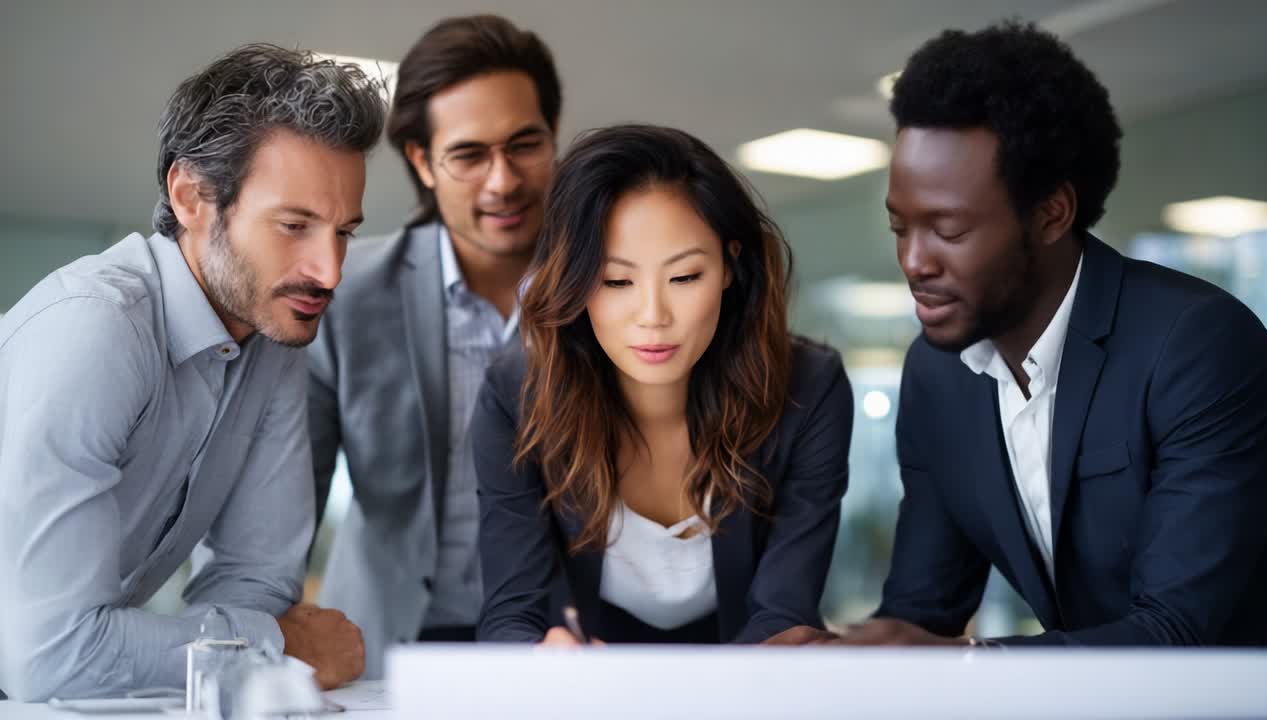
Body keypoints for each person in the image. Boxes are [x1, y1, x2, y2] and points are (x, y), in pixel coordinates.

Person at [771, 21, 1267, 649]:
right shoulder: (939, 372)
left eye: (949, 231)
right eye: (900, 228)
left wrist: (963, 659)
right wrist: (839, 656)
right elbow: (921, 613)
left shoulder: (1196, 345)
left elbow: (1173, 633)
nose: (913, 261)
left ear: (1051, 214)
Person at [0, 44, 385, 700]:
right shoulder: (94, 329)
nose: (329, 272)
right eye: (294, 225)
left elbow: (255, 582)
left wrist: (254, 644)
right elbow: (49, 655)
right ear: (191, 197)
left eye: (343, 232)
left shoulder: (274, 335)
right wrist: (277, 647)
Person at [473, 124, 853, 644]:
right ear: (574, 282)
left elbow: (784, 615)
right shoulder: (514, 396)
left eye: (685, 277)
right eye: (616, 281)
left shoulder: (809, 389)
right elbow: (511, 617)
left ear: (729, 266)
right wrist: (542, 657)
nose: (653, 316)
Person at [307, 15, 561, 676]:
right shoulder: (348, 294)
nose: (503, 181)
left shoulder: (608, 290)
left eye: (525, 144)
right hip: (384, 647)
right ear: (422, 161)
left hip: (556, 644)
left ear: (553, 136)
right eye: (469, 155)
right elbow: (286, 506)